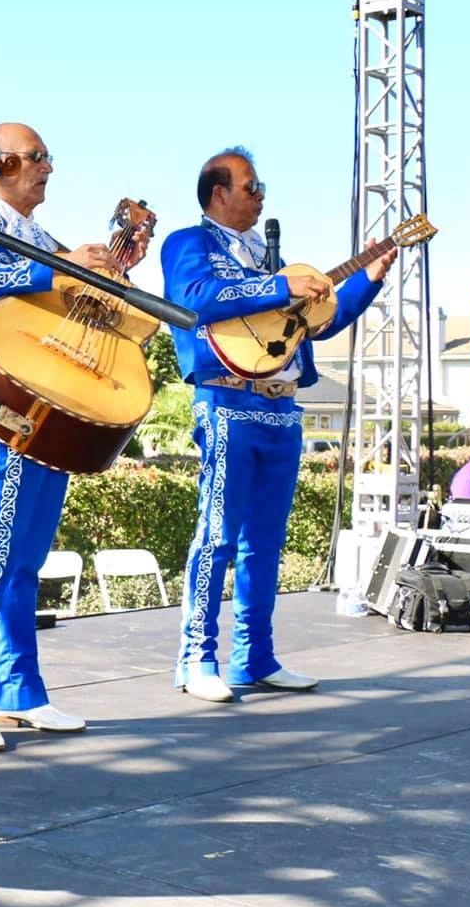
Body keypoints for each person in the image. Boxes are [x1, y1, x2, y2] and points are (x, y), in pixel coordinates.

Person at [0, 123, 150, 751]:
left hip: (57, 400)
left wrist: (111, 273)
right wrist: (57, 271)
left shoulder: (46, 240)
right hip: (4, 401)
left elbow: (74, 301)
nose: (47, 168)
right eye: (34, 158)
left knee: (27, 558)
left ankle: (19, 691)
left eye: (47, 157)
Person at [161, 147, 396, 703]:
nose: (260, 193)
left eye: (260, 185)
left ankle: (255, 656)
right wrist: (278, 287)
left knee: (265, 541)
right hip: (227, 402)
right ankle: (196, 658)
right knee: (218, 535)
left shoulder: (271, 258)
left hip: (281, 406)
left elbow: (320, 322)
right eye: (251, 185)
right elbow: (196, 298)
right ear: (218, 193)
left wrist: (368, 278)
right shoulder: (187, 243)